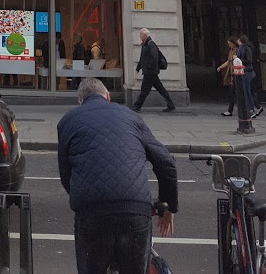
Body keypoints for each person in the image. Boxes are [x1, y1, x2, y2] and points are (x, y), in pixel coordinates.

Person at [58, 77, 178, 274]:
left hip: (92, 213)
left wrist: (84, 196)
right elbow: (166, 163)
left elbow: (66, 174)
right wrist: (169, 206)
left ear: (81, 101)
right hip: (135, 209)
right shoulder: (131, 117)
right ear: (107, 96)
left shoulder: (68, 121)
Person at [133, 28, 175, 112]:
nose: (140, 36)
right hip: (151, 72)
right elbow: (142, 58)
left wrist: (148, 68)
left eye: (141, 34)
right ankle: (171, 105)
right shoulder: (145, 44)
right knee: (161, 89)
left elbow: (154, 57)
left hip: (150, 72)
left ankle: (137, 106)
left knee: (144, 90)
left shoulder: (150, 44)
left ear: (145, 35)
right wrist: (138, 67)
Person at [237, 34, 261, 117]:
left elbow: (249, 60)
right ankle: (253, 108)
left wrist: (238, 59)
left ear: (241, 40)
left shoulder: (246, 48)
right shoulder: (241, 48)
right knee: (245, 90)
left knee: (247, 90)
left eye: (238, 40)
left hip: (247, 71)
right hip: (244, 71)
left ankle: (251, 109)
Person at [218, 37, 239, 116]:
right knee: (232, 92)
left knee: (237, 92)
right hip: (231, 73)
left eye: (230, 44)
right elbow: (228, 61)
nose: (229, 46)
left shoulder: (237, 51)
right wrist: (221, 67)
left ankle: (254, 106)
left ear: (234, 43)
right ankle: (230, 110)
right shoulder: (231, 51)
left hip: (236, 73)